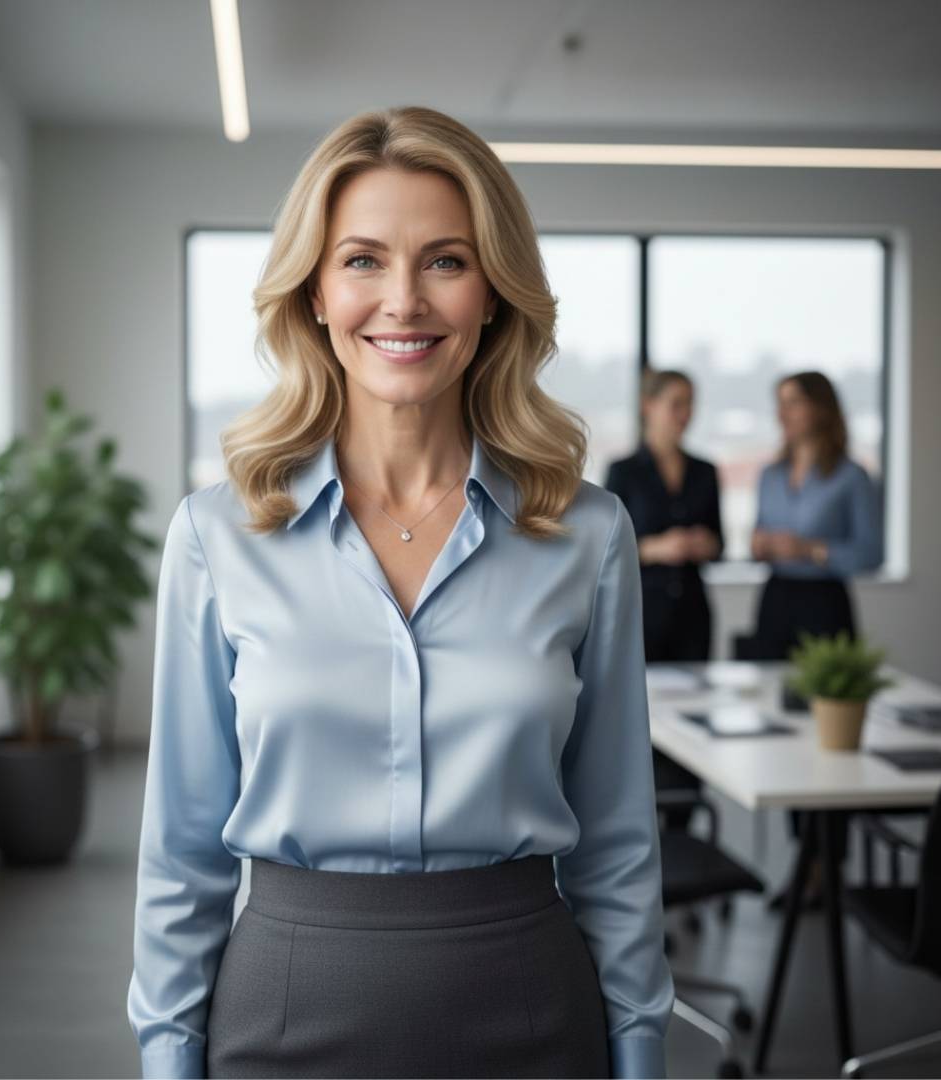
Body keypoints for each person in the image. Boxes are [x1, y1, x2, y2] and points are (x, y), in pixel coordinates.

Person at [127, 106, 674, 1080]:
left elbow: (619, 840)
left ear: (496, 295)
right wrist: (169, 1057)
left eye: (447, 262)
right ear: (314, 293)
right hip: (282, 1016)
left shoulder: (587, 536)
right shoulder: (218, 538)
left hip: (533, 1015)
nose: (404, 300)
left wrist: (639, 1048)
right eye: (364, 260)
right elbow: (182, 851)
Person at [748, 370, 883, 910]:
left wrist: (811, 550)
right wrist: (763, 545)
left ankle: (831, 868)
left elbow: (869, 555)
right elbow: (759, 537)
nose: (783, 414)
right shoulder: (771, 473)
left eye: (794, 403)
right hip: (776, 601)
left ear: (821, 410)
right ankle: (804, 864)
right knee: (783, 736)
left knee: (830, 740)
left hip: (826, 606)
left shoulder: (851, 477)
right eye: (779, 403)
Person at [605, 368, 724, 833]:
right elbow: (607, 547)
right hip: (643, 613)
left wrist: (702, 544)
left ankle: (684, 837)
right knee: (640, 724)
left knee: (696, 724)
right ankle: (640, 834)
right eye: (676, 402)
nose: (685, 414)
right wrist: (657, 548)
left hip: (693, 614)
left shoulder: (706, 470)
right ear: (648, 406)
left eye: (690, 403)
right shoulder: (624, 470)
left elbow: (721, 545)